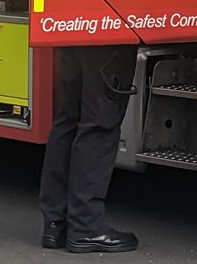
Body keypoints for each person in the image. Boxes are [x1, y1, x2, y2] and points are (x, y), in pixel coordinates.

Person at [39, 45, 139, 253]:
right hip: (109, 27)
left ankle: (55, 223)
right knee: (100, 122)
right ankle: (86, 226)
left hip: (73, 26)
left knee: (68, 120)